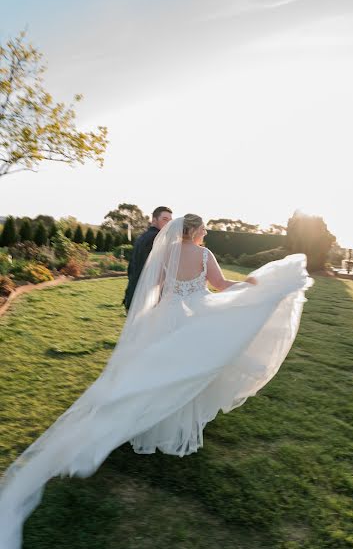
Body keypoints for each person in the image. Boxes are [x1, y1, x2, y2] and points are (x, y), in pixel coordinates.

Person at [0, 214, 313, 548]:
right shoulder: (205, 255)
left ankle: (145, 427)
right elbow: (220, 287)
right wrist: (255, 287)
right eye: (204, 228)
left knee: (157, 375)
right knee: (185, 375)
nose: (206, 232)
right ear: (194, 231)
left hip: (165, 318)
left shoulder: (165, 254)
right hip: (196, 317)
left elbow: (157, 288)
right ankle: (175, 432)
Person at [123, 206, 173, 311]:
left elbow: (131, 268)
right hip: (145, 296)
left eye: (170, 220)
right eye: (165, 219)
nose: (168, 223)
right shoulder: (156, 238)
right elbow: (154, 271)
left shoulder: (142, 236)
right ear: (154, 220)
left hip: (134, 291)